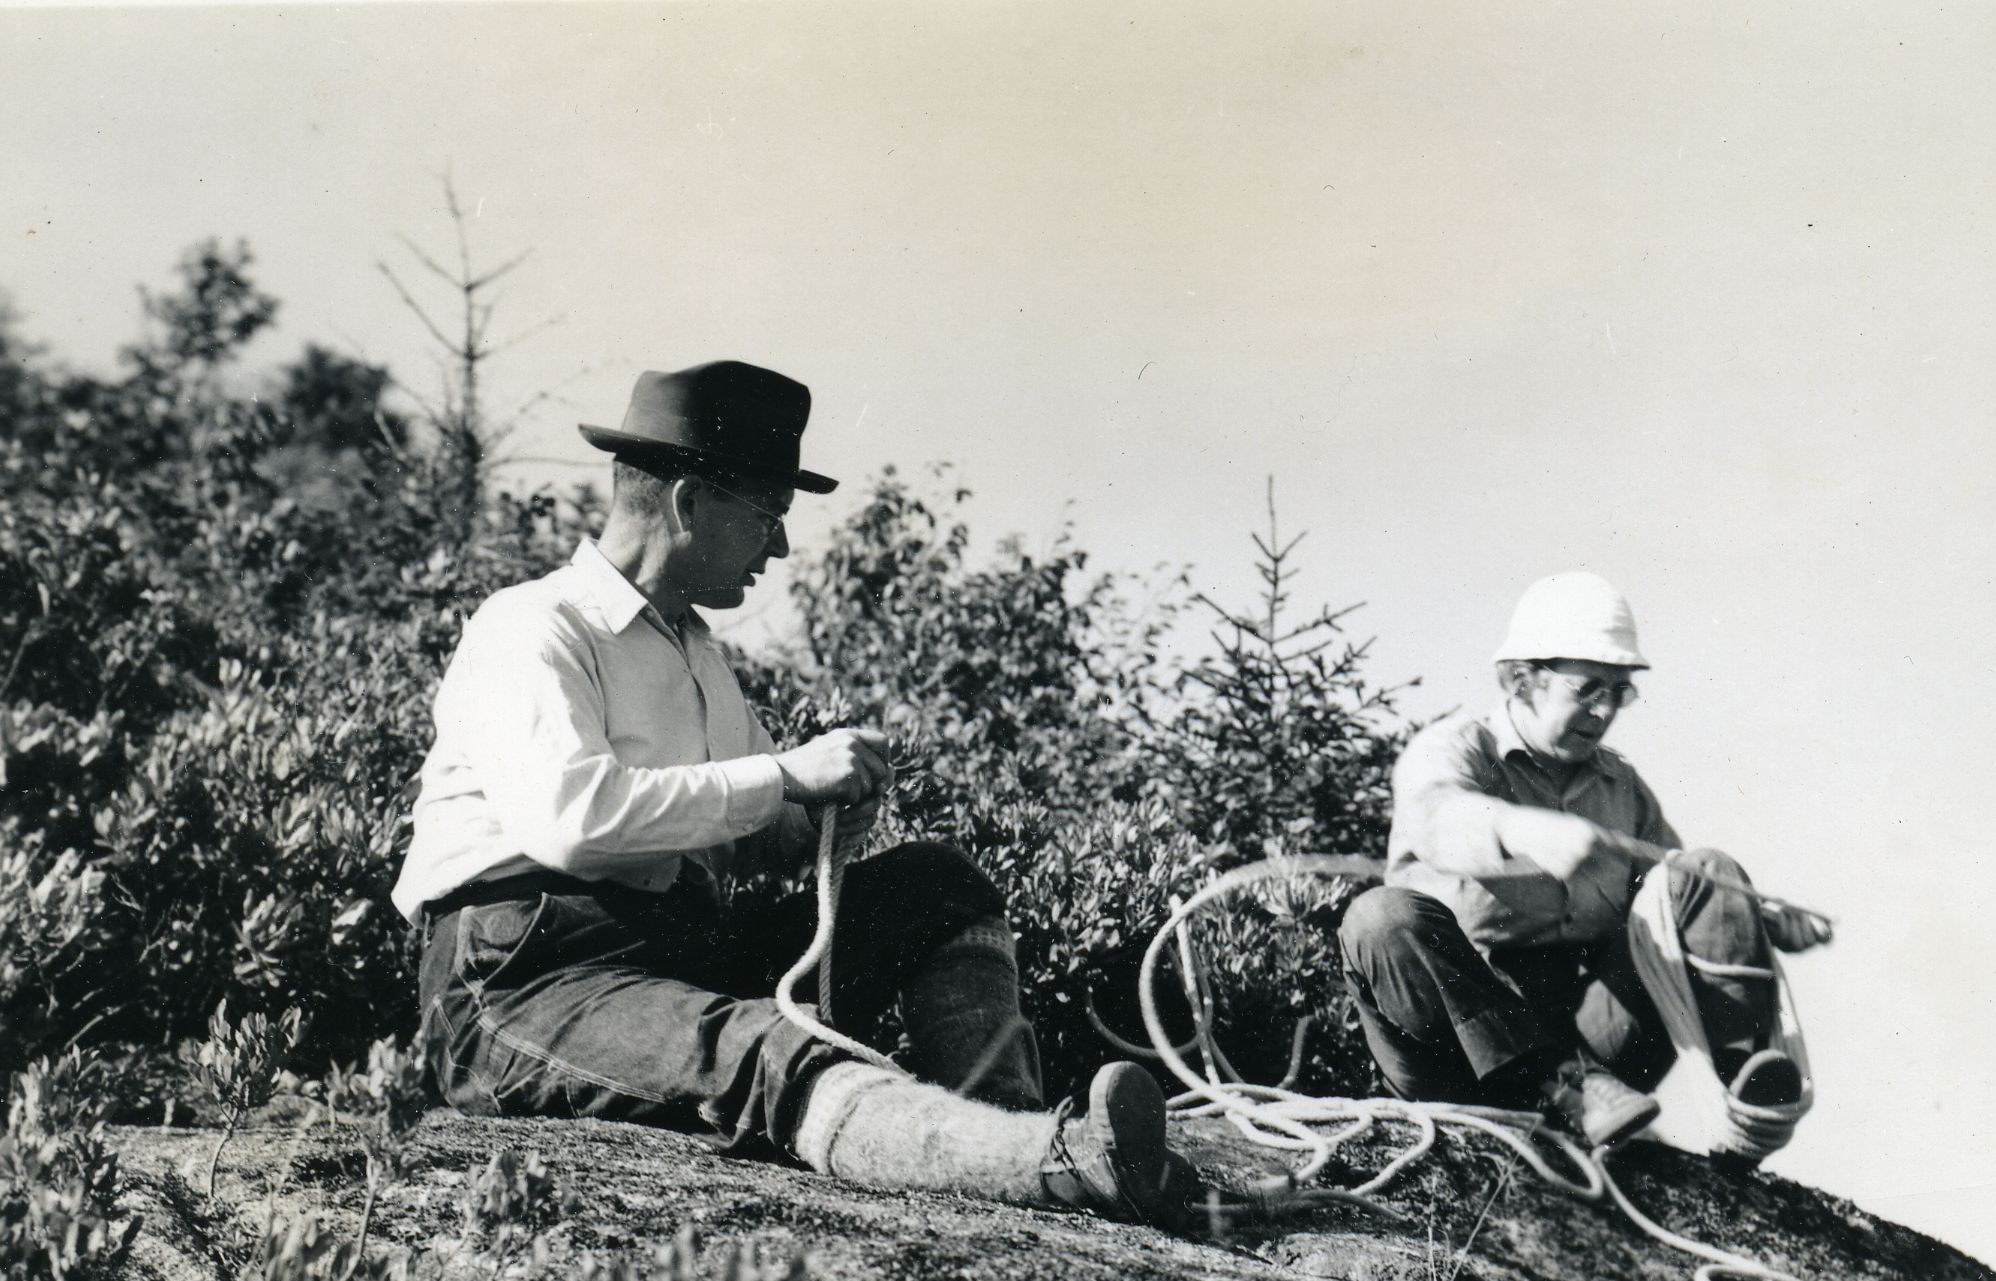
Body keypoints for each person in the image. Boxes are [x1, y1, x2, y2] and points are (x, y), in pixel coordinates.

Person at [391, 360, 1196, 1225]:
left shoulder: (696, 654)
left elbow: (753, 836)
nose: (778, 547)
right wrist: (782, 775)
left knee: (938, 884)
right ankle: (1050, 1165)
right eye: (769, 516)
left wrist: (822, 816)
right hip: (524, 977)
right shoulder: (530, 625)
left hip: (670, 953)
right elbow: (571, 822)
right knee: (765, 1045)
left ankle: (1010, 1131)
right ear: (687, 501)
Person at [1338, 571, 1831, 1152]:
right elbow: (1434, 816)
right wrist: (1513, 827)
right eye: (1588, 689)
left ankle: (1741, 1099)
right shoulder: (1453, 749)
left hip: (1591, 1043)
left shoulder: (1621, 787)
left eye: (1618, 692)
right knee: (1379, 919)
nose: (1604, 711)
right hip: (1460, 1040)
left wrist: (1760, 916)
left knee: (1710, 872)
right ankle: (1556, 1086)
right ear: (1522, 681)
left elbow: (1680, 889)